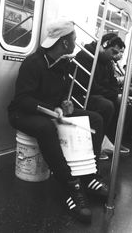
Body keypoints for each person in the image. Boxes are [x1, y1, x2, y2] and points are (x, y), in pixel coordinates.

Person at [8, 19, 108, 223]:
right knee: (46, 128)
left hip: (52, 111)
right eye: (74, 40)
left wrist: (65, 104)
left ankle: (89, 176)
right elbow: (22, 100)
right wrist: (51, 112)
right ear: (64, 43)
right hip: (23, 113)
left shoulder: (64, 64)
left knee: (95, 119)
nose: (75, 43)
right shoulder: (33, 63)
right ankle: (71, 186)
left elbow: (60, 96)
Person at [71, 33, 130, 158]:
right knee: (106, 106)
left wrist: (114, 94)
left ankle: (110, 140)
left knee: (124, 103)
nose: (115, 56)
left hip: (99, 93)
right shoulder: (86, 56)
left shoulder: (108, 61)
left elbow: (113, 83)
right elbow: (89, 86)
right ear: (104, 45)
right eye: (113, 52)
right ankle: (96, 146)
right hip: (82, 95)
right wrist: (112, 94)